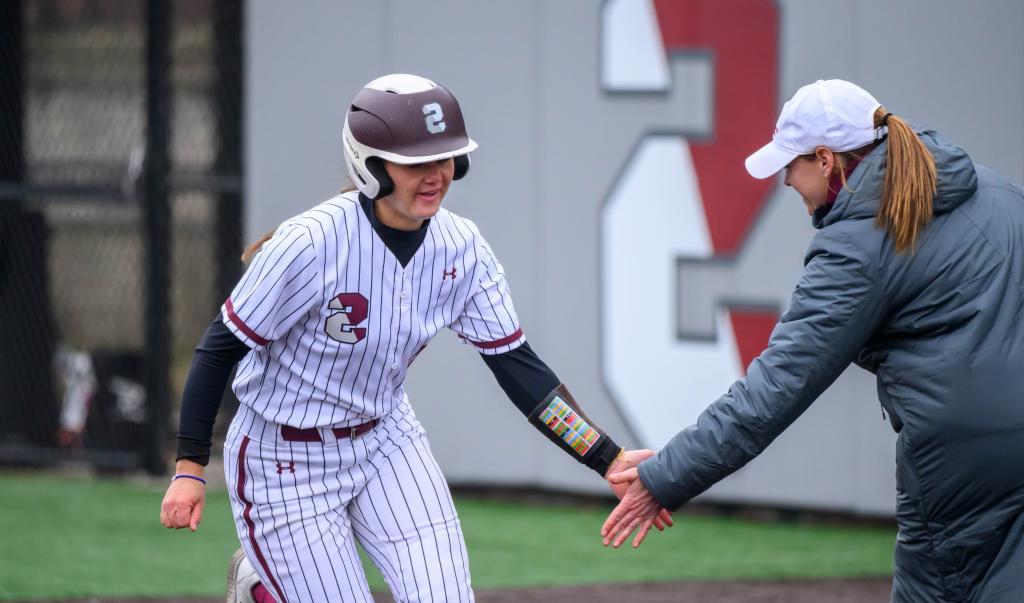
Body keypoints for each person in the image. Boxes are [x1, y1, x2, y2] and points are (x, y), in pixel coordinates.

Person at [159, 73, 670, 603]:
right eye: (415, 162)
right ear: (371, 165)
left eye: (445, 158)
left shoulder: (460, 246)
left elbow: (519, 367)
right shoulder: (309, 243)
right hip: (284, 458)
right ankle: (263, 590)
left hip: (385, 441)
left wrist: (605, 456)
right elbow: (219, 348)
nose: (435, 175)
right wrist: (191, 468)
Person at [601, 79, 1024, 601]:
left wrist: (667, 476)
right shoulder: (995, 188)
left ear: (826, 160)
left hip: (961, 469)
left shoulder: (857, 245)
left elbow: (777, 386)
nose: (784, 181)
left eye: (790, 165)